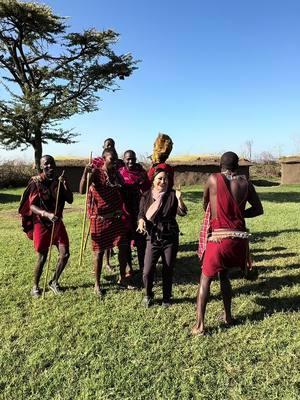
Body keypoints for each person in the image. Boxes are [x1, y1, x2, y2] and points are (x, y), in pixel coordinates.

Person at [192, 151, 263, 335]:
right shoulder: (246, 183)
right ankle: (228, 316)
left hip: (218, 239)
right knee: (224, 276)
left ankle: (199, 326)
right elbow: (258, 209)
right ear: (237, 166)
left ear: (220, 165)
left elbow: (205, 203)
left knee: (205, 279)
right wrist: (238, 214)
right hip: (239, 243)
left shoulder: (213, 179)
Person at [79, 148, 131, 298]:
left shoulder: (115, 174)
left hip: (115, 217)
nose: (114, 162)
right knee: (99, 253)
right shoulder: (96, 173)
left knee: (123, 246)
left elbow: (122, 187)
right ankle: (97, 284)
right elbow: (82, 190)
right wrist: (85, 173)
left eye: (115, 160)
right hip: (100, 218)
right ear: (103, 159)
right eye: (111, 160)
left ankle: (122, 278)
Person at [18, 155, 73, 296]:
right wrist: (46, 214)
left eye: (51, 163)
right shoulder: (36, 182)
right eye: (46, 164)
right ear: (41, 166)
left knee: (65, 254)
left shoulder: (58, 181)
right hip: (42, 224)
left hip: (58, 223)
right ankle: (35, 287)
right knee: (42, 257)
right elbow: (32, 206)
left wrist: (65, 184)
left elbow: (70, 200)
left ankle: (54, 281)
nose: (49, 166)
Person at [137, 169, 187, 307]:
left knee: (168, 268)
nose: (162, 182)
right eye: (159, 178)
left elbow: (182, 212)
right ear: (153, 180)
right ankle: (148, 294)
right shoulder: (146, 195)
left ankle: (166, 297)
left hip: (169, 237)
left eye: (165, 179)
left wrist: (179, 198)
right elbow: (141, 213)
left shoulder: (172, 195)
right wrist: (141, 221)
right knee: (147, 270)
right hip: (152, 237)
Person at [118, 150, 150, 272]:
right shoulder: (119, 173)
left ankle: (143, 268)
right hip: (125, 213)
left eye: (132, 158)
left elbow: (147, 192)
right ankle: (129, 268)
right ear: (124, 159)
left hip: (139, 212)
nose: (130, 161)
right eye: (128, 159)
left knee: (141, 242)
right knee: (126, 244)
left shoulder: (141, 173)